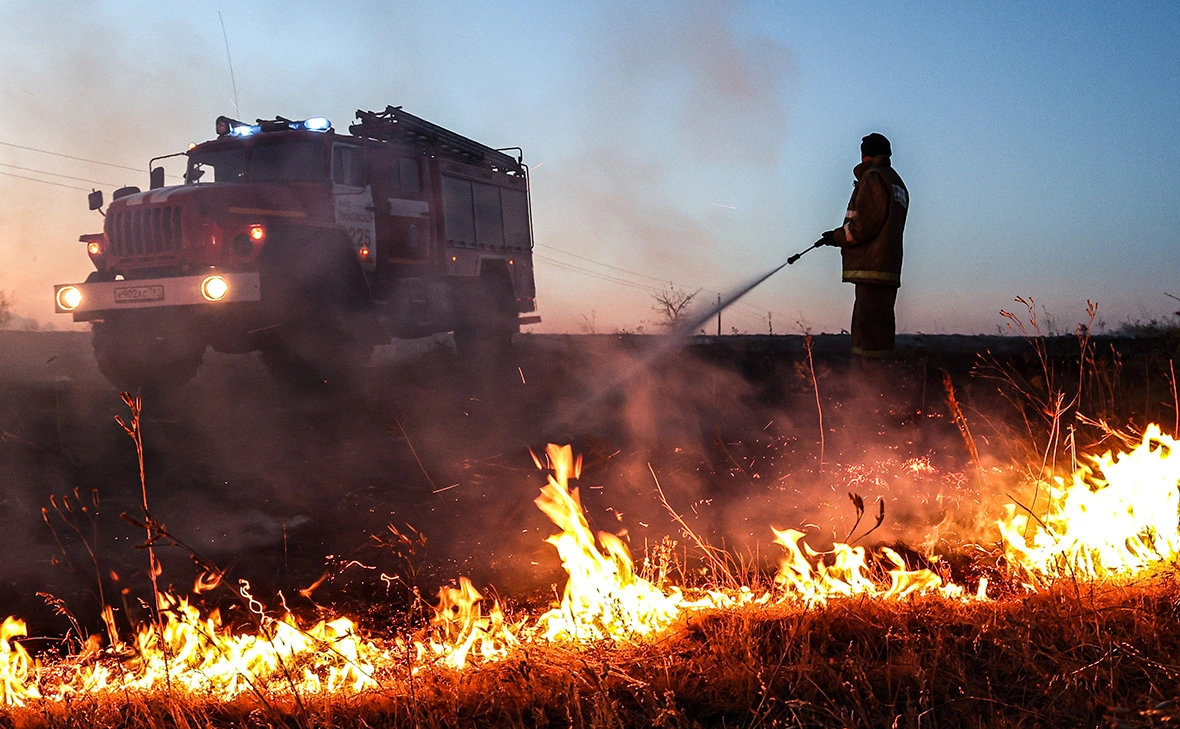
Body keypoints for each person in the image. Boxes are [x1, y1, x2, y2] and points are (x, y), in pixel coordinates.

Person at [820, 133, 909, 360]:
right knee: (881, 329)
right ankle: (881, 382)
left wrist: (837, 237)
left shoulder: (873, 178)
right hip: (887, 266)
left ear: (864, 154)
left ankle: (868, 382)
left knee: (866, 331)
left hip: (871, 264)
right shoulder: (896, 181)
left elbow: (864, 225)